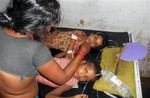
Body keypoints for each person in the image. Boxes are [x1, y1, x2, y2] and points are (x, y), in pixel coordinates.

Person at [0, 0, 90, 98]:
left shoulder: (2, 28)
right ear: (38, 23)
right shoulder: (36, 50)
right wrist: (82, 52)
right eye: (50, 24)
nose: (50, 29)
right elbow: (62, 78)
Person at [36, 57, 101, 98]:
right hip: (37, 60)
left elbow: (49, 96)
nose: (82, 75)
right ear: (82, 62)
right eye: (85, 70)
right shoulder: (71, 60)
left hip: (31, 75)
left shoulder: (70, 83)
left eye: (86, 77)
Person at [34, 29, 108, 59]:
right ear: (92, 34)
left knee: (31, 47)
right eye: (95, 37)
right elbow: (65, 33)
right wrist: (55, 32)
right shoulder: (81, 33)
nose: (92, 42)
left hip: (48, 44)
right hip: (50, 34)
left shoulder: (80, 50)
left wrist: (69, 52)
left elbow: (68, 58)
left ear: (93, 47)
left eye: (95, 44)